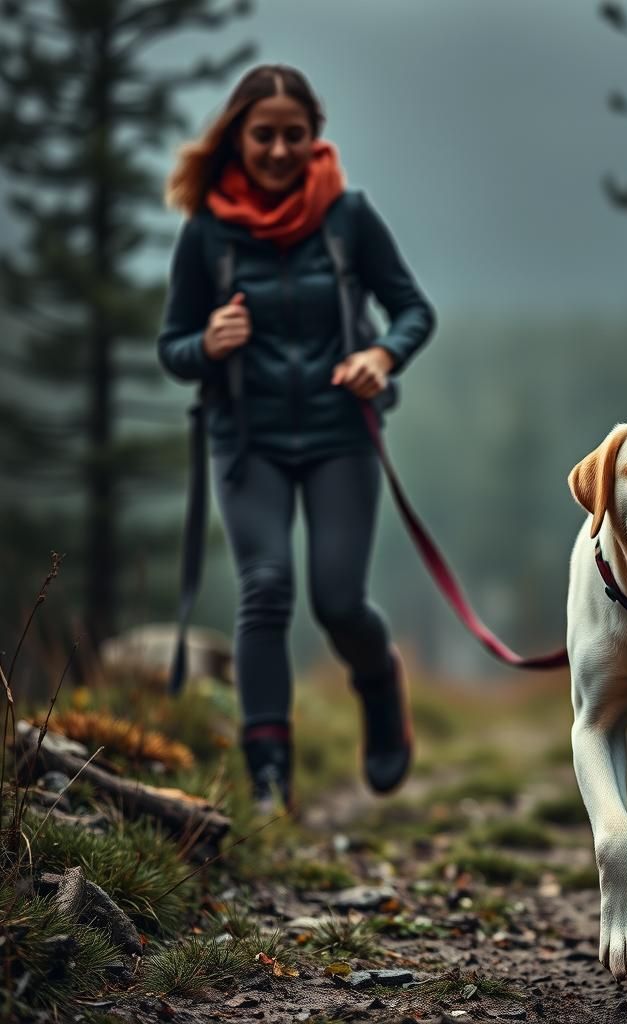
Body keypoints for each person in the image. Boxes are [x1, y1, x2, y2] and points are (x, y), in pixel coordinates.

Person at [158, 64, 435, 812]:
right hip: (248, 444)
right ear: (237, 138)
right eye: (264, 135)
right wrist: (207, 342)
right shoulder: (206, 233)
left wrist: (382, 355)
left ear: (315, 137)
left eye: (295, 134)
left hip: (342, 434)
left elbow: (413, 310)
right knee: (267, 588)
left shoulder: (348, 217)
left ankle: (379, 688)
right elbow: (172, 347)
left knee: (339, 602)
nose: (280, 150)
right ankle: (269, 778)